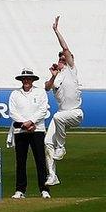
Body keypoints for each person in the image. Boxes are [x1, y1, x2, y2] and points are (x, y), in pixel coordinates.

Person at [44, 16, 82, 190]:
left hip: (75, 113)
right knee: (46, 143)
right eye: (60, 58)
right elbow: (46, 87)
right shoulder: (57, 76)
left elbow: (65, 48)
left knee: (58, 117)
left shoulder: (72, 70)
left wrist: (56, 30)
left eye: (64, 58)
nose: (62, 59)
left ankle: (61, 147)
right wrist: (53, 75)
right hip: (61, 114)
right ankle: (52, 175)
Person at [7, 70, 50, 199]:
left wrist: (31, 122)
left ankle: (44, 189)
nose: (26, 81)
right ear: (21, 80)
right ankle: (20, 190)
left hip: (37, 129)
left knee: (40, 160)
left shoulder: (40, 92)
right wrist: (24, 124)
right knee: (20, 161)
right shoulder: (15, 94)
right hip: (20, 131)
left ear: (32, 80)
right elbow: (12, 112)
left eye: (28, 79)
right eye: (24, 79)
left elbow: (43, 110)